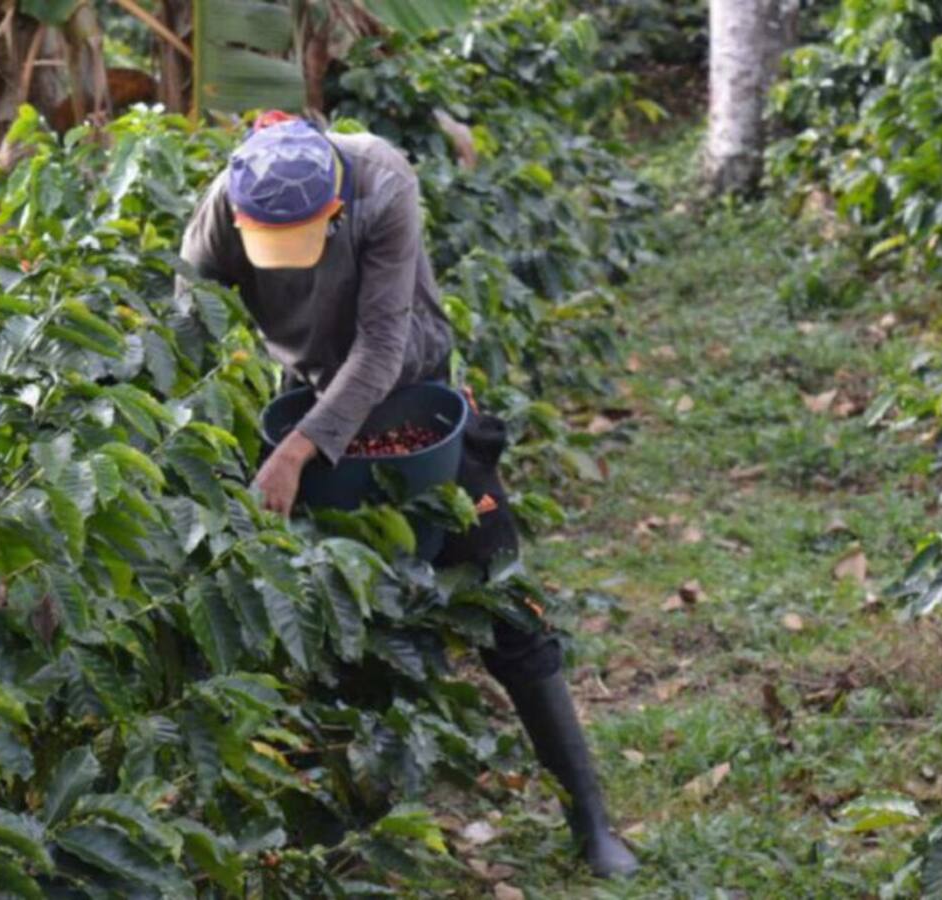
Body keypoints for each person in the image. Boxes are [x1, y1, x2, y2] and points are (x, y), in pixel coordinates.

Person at [177, 113, 638, 879]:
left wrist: (295, 454)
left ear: (332, 208)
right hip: (305, 405)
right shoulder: (225, 201)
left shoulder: (381, 183)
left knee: (504, 603)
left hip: (411, 398)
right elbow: (186, 319)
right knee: (330, 619)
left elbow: (383, 346)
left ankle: (591, 821)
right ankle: (344, 830)